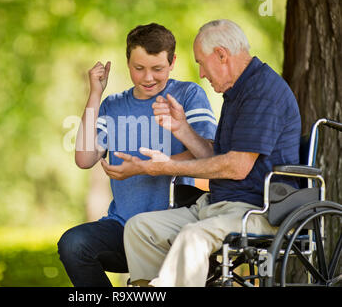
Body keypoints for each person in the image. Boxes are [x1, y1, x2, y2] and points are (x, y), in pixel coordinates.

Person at [107, 19, 301, 286]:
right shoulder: (238, 91)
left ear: (221, 55)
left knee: (193, 237)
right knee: (140, 228)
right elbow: (215, 155)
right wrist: (182, 129)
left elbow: (236, 167)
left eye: (201, 62)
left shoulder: (262, 92)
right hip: (217, 205)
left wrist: (166, 167)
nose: (200, 73)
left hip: (258, 211)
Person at [57, 23, 217, 287]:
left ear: (172, 61)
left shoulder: (188, 95)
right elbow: (84, 158)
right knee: (73, 245)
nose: (147, 78)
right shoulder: (113, 105)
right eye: (138, 68)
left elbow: (209, 155)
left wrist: (145, 167)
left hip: (175, 228)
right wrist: (95, 94)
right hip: (122, 226)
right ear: (127, 61)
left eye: (157, 69)